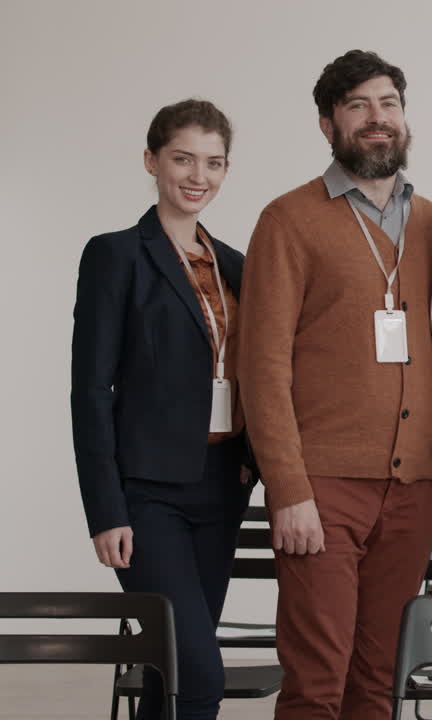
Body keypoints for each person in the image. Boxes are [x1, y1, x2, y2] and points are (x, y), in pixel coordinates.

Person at [237, 50, 432, 720]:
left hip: (415, 487)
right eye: (358, 106)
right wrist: (288, 489)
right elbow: (262, 366)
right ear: (328, 124)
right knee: (317, 681)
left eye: (388, 104)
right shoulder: (289, 220)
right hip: (322, 487)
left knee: (381, 678)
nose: (376, 118)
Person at [71, 98, 253, 720]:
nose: (198, 176)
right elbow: (90, 390)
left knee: (167, 673)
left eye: (213, 162)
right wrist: (106, 511)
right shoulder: (115, 255)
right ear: (151, 161)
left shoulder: (236, 266)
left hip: (221, 486)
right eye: (183, 159)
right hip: (148, 496)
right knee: (199, 675)